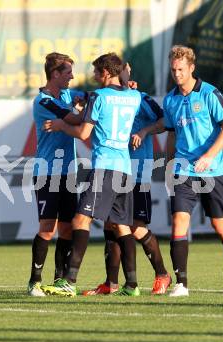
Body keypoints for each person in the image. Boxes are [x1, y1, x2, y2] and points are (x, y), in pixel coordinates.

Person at [41, 53, 142, 297]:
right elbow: (122, 87)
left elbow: (84, 133)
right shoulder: (134, 96)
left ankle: (69, 281)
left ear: (106, 73)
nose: (94, 76)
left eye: (97, 72)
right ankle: (132, 285)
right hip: (125, 168)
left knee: (80, 221)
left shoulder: (99, 97)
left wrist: (61, 125)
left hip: (105, 167)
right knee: (121, 226)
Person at [164, 45, 223, 297]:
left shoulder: (209, 93)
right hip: (183, 169)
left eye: (181, 69)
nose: (177, 74)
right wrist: (169, 164)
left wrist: (209, 156)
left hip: (212, 171)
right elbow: (171, 134)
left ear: (191, 68)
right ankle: (181, 284)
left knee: (220, 226)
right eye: (173, 70)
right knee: (179, 221)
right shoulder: (170, 99)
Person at [83, 63, 172, 296]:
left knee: (135, 226)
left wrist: (143, 132)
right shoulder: (106, 97)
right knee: (111, 224)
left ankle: (162, 274)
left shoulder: (139, 97)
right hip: (116, 168)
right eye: (123, 70)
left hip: (137, 169)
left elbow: (164, 122)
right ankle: (111, 283)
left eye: (128, 70)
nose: (126, 74)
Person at [27, 52, 87, 296]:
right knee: (47, 228)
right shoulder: (43, 101)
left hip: (68, 173)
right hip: (47, 173)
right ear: (55, 74)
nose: (72, 77)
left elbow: (91, 97)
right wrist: (83, 111)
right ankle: (34, 281)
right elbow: (73, 117)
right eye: (68, 72)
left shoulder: (67, 95)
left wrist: (122, 85)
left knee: (67, 229)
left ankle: (60, 279)